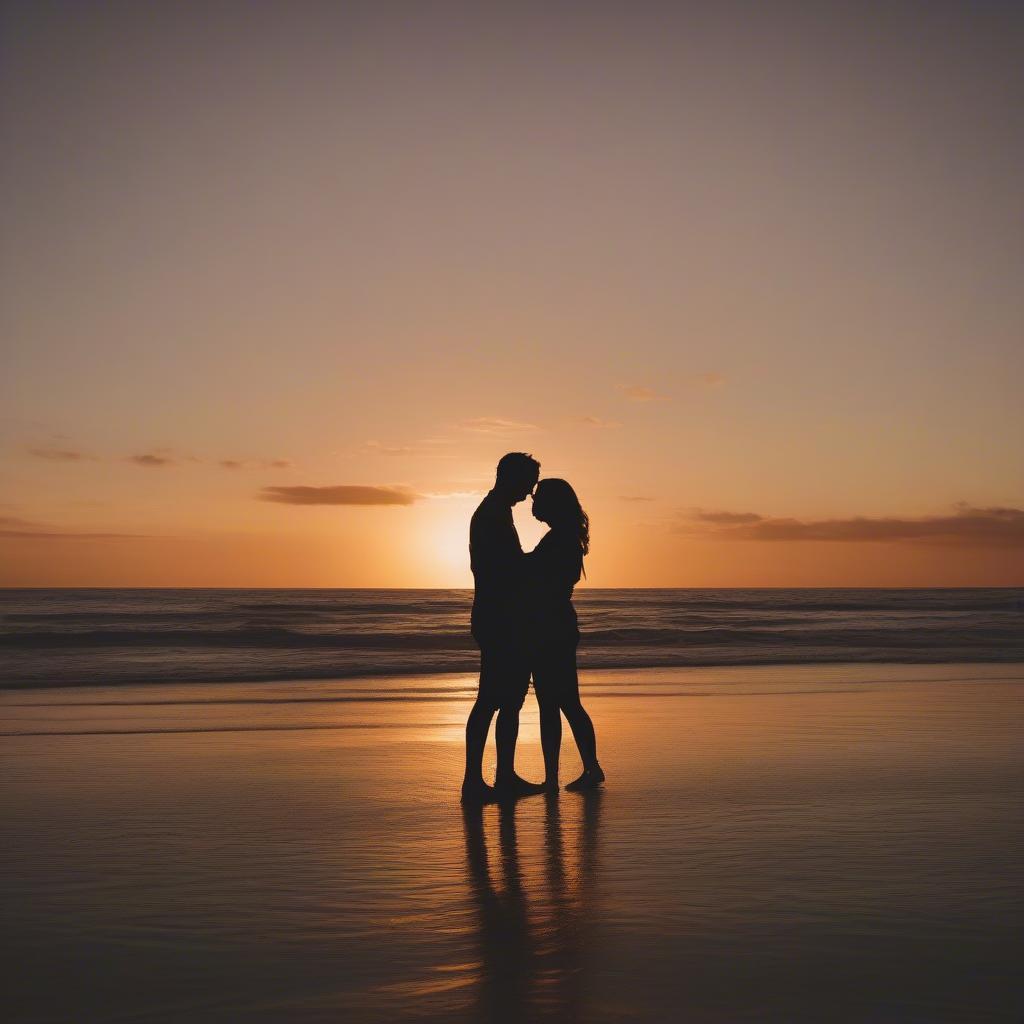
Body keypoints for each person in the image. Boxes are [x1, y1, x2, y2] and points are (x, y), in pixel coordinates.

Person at [462, 452, 547, 803]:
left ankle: (502, 775)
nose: (529, 494)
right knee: (493, 700)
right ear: (509, 478)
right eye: (527, 485)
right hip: (500, 618)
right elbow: (505, 569)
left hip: (498, 616)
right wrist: (542, 558)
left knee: (508, 700)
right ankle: (476, 781)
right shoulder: (492, 515)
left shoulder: (496, 512)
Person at [527, 478, 604, 791]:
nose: (534, 503)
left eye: (538, 498)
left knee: (558, 703)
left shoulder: (560, 539)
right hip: (556, 623)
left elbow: (543, 578)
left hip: (550, 625)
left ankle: (561, 775)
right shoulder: (564, 536)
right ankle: (576, 770)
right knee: (565, 702)